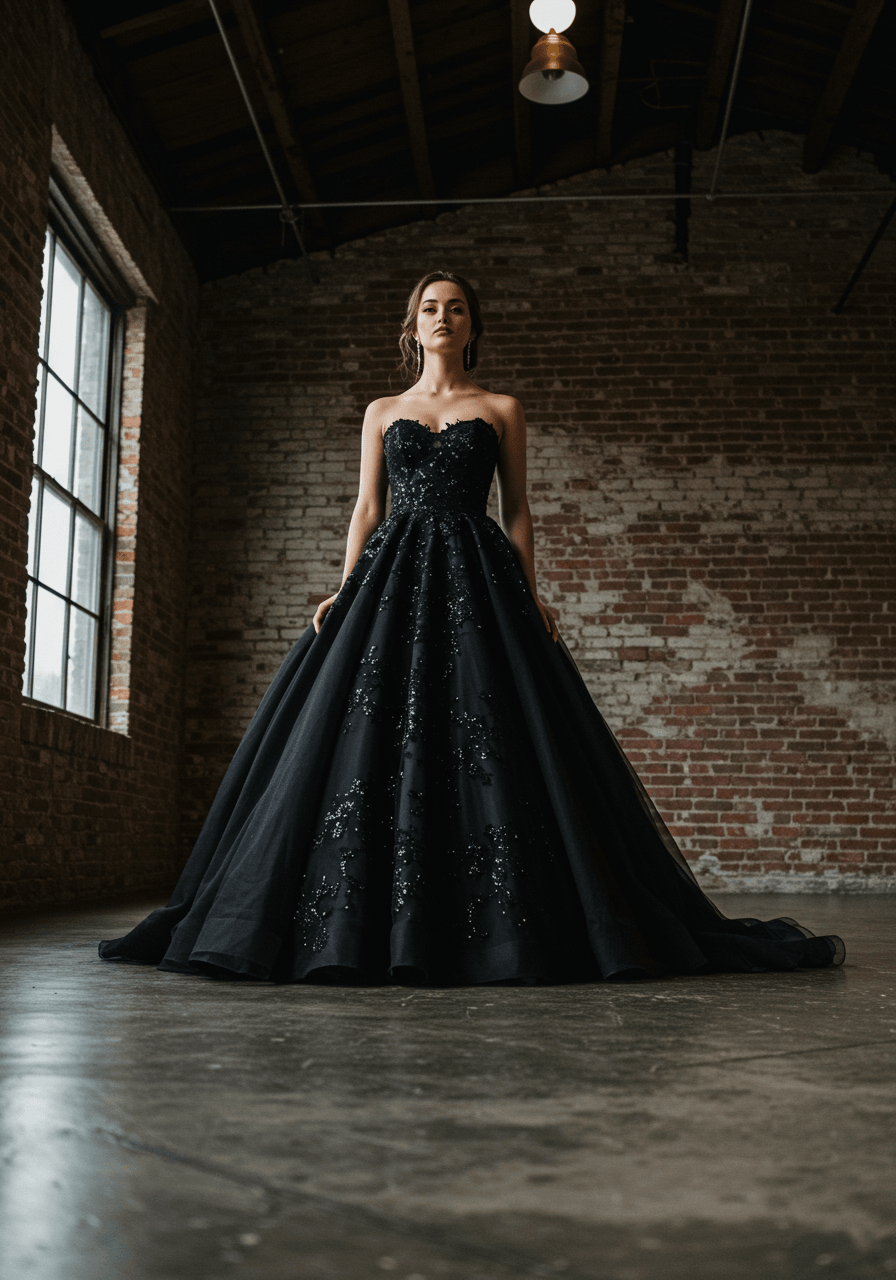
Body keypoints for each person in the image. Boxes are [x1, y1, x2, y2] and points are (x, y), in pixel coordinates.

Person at [98, 271, 845, 984]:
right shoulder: (382, 412)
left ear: (473, 325)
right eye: (430, 307)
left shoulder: (502, 408)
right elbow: (367, 508)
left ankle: (507, 929)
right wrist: (345, 585)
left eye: (456, 308)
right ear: (412, 325)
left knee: (493, 731)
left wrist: (531, 593)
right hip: (390, 577)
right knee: (362, 734)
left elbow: (516, 510)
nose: (442, 318)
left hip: (475, 576)